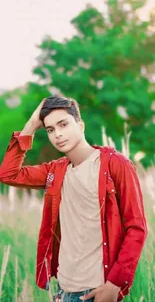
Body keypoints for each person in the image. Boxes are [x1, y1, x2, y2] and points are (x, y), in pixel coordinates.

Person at [0, 95, 147, 302]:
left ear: (81, 125)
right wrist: (31, 125)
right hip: (62, 290)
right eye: (50, 130)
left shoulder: (115, 165)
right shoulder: (55, 171)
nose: (58, 134)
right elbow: (8, 174)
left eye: (63, 125)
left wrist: (115, 284)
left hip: (96, 291)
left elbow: (136, 227)